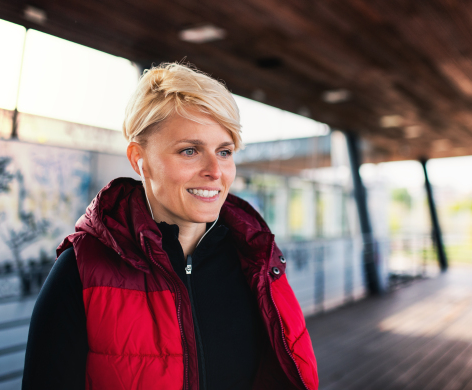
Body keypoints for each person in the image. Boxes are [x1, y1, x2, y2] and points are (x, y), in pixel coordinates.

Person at [22, 62, 318, 390]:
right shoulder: (81, 270)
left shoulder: (257, 259)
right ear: (139, 159)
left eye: (224, 151)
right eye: (189, 151)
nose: (215, 171)